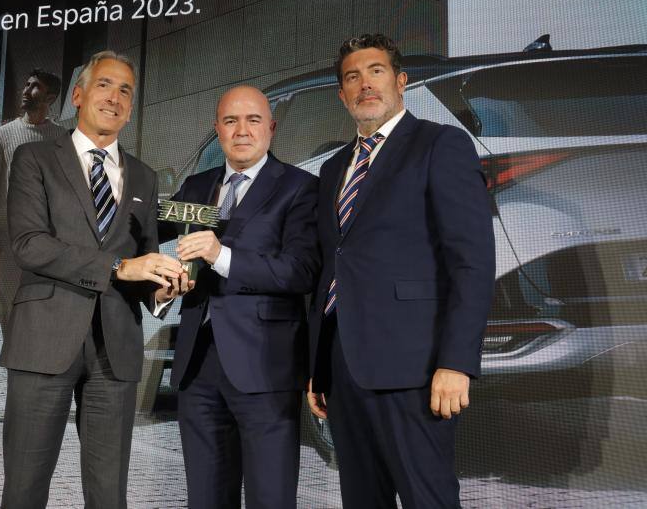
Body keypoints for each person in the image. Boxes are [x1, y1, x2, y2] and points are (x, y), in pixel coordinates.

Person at [306, 34, 495, 508]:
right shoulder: (332, 170)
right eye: (353, 77)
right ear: (341, 94)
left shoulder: (441, 145)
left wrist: (456, 362)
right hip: (345, 372)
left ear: (401, 81)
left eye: (375, 71)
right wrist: (318, 367)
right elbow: (332, 269)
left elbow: (471, 262)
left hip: (417, 370)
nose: (364, 84)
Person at [1, 51, 188, 509]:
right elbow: (29, 244)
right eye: (105, 84)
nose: (116, 96)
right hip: (44, 340)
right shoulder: (34, 158)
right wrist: (117, 268)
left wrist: (159, 292)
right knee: (24, 490)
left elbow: (142, 260)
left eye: (126, 90)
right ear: (79, 95)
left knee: (109, 496)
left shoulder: (142, 175)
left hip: (116, 349)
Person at [162, 85, 319, 508]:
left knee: (270, 498)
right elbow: (149, 231)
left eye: (252, 120)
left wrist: (220, 255)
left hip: (265, 369)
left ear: (271, 127)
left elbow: (301, 271)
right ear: (217, 130)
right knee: (206, 499)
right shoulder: (196, 187)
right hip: (197, 370)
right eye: (231, 121)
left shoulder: (300, 188)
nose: (242, 130)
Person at [0, 68, 65, 335]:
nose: (26, 91)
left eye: (34, 86)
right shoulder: (2, 136)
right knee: (12, 310)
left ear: (50, 98)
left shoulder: (62, 139)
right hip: (10, 242)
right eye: (26, 85)